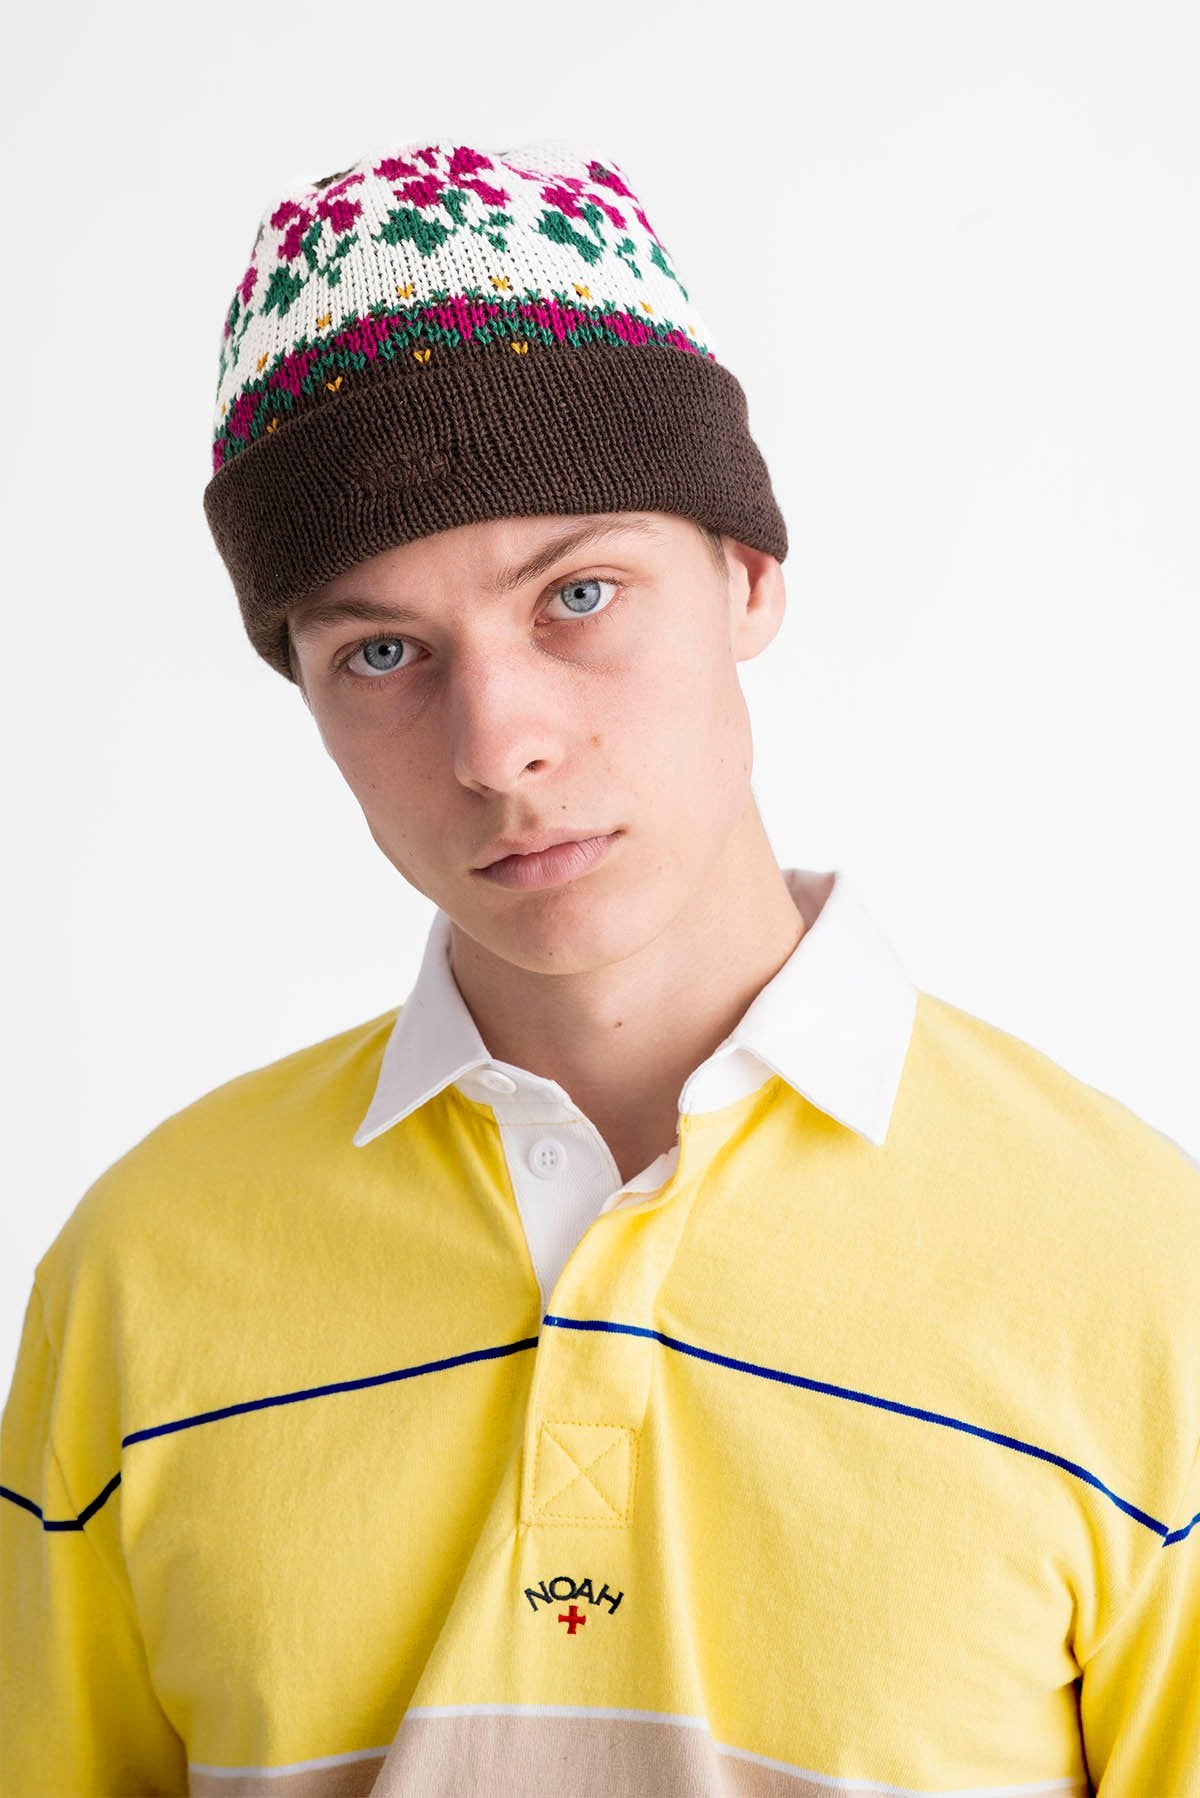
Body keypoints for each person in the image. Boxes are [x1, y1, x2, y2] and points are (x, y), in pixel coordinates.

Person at [1, 136, 1197, 1798]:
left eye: (577, 592)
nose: (499, 744)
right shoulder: (137, 1277)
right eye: (382, 650)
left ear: (748, 574)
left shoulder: (1141, 1275)